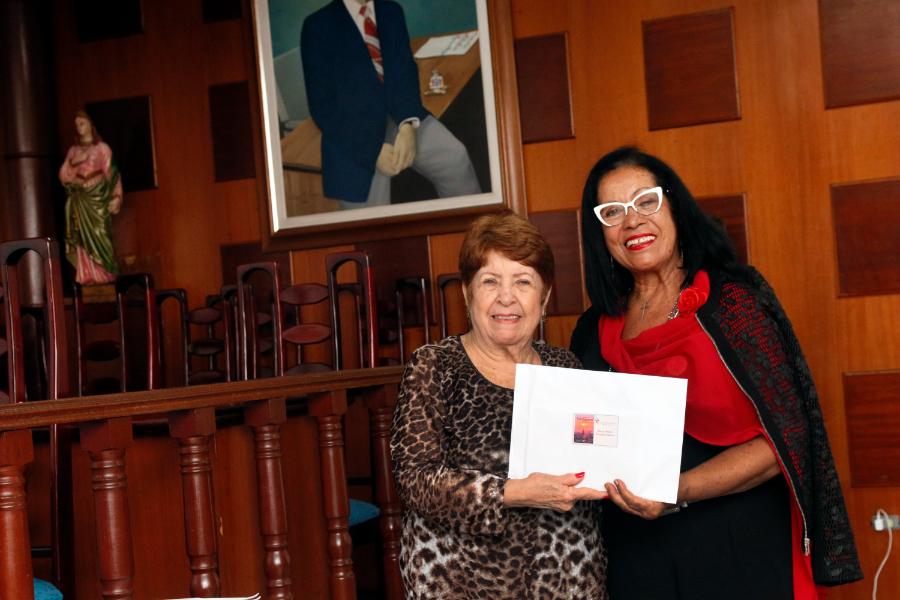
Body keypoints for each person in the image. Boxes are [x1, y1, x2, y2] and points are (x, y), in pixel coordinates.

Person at [570, 146, 862, 599]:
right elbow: (582, 440)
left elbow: (786, 438)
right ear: (599, 232)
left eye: (646, 201)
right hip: (635, 552)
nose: (632, 221)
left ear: (674, 206)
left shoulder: (734, 303)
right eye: (612, 212)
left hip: (740, 543)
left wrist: (677, 490)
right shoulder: (591, 329)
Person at [391, 212, 608, 599]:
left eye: (523, 281)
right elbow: (416, 482)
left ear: (544, 297)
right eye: (490, 281)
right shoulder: (435, 365)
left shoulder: (566, 367)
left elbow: (593, 460)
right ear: (467, 293)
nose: (506, 297)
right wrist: (513, 492)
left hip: (564, 577)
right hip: (459, 579)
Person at [301, 0, 481, 209]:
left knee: (455, 157)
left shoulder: (391, 10)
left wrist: (408, 125)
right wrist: (372, 152)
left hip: (399, 115)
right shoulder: (317, 26)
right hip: (354, 136)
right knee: (370, 213)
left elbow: (405, 71)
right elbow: (322, 108)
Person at [59, 110, 122, 285]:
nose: (79, 128)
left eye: (82, 123)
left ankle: (105, 275)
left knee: (101, 234)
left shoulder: (102, 148)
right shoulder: (74, 151)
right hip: (80, 199)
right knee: (82, 238)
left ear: (91, 125)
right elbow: (63, 176)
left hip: (97, 199)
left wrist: (116, 196)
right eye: (77, 125)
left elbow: (113, 175)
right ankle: (87, 276)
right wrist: (74, 162)